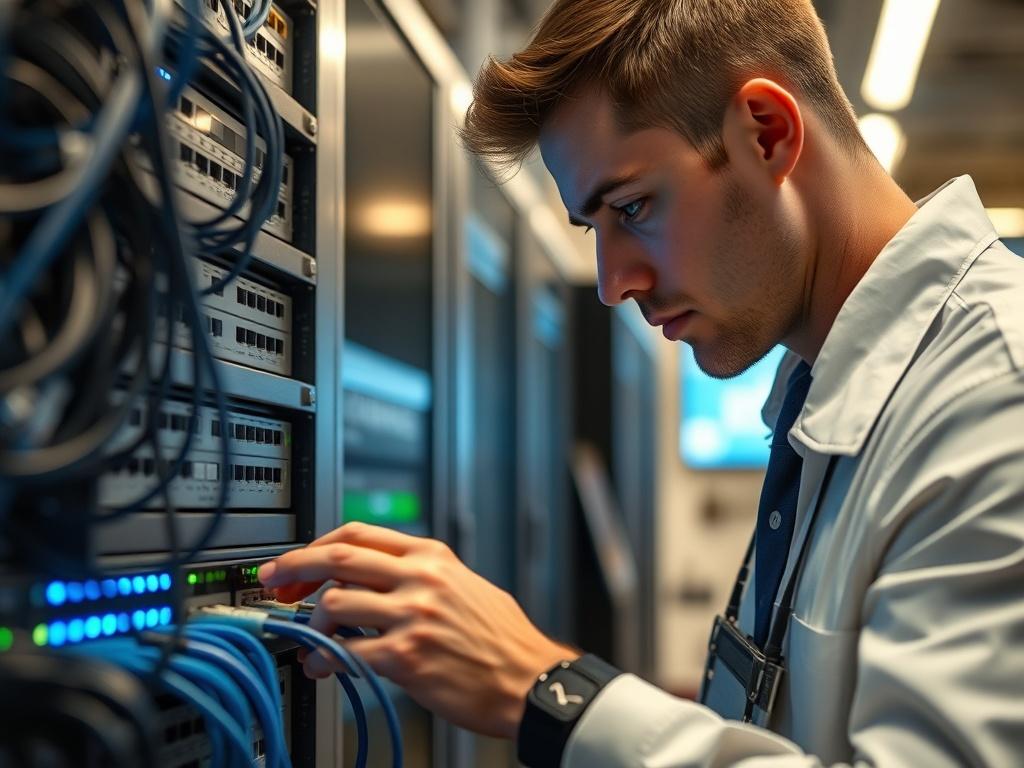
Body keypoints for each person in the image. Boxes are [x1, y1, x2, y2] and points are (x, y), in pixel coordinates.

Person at [258, 0, 1024, 764]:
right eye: (596, 229)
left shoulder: (997, 398)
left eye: (633, 207)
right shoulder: (826, 389)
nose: (612, 283)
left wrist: (547, 692)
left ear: (769, 133)